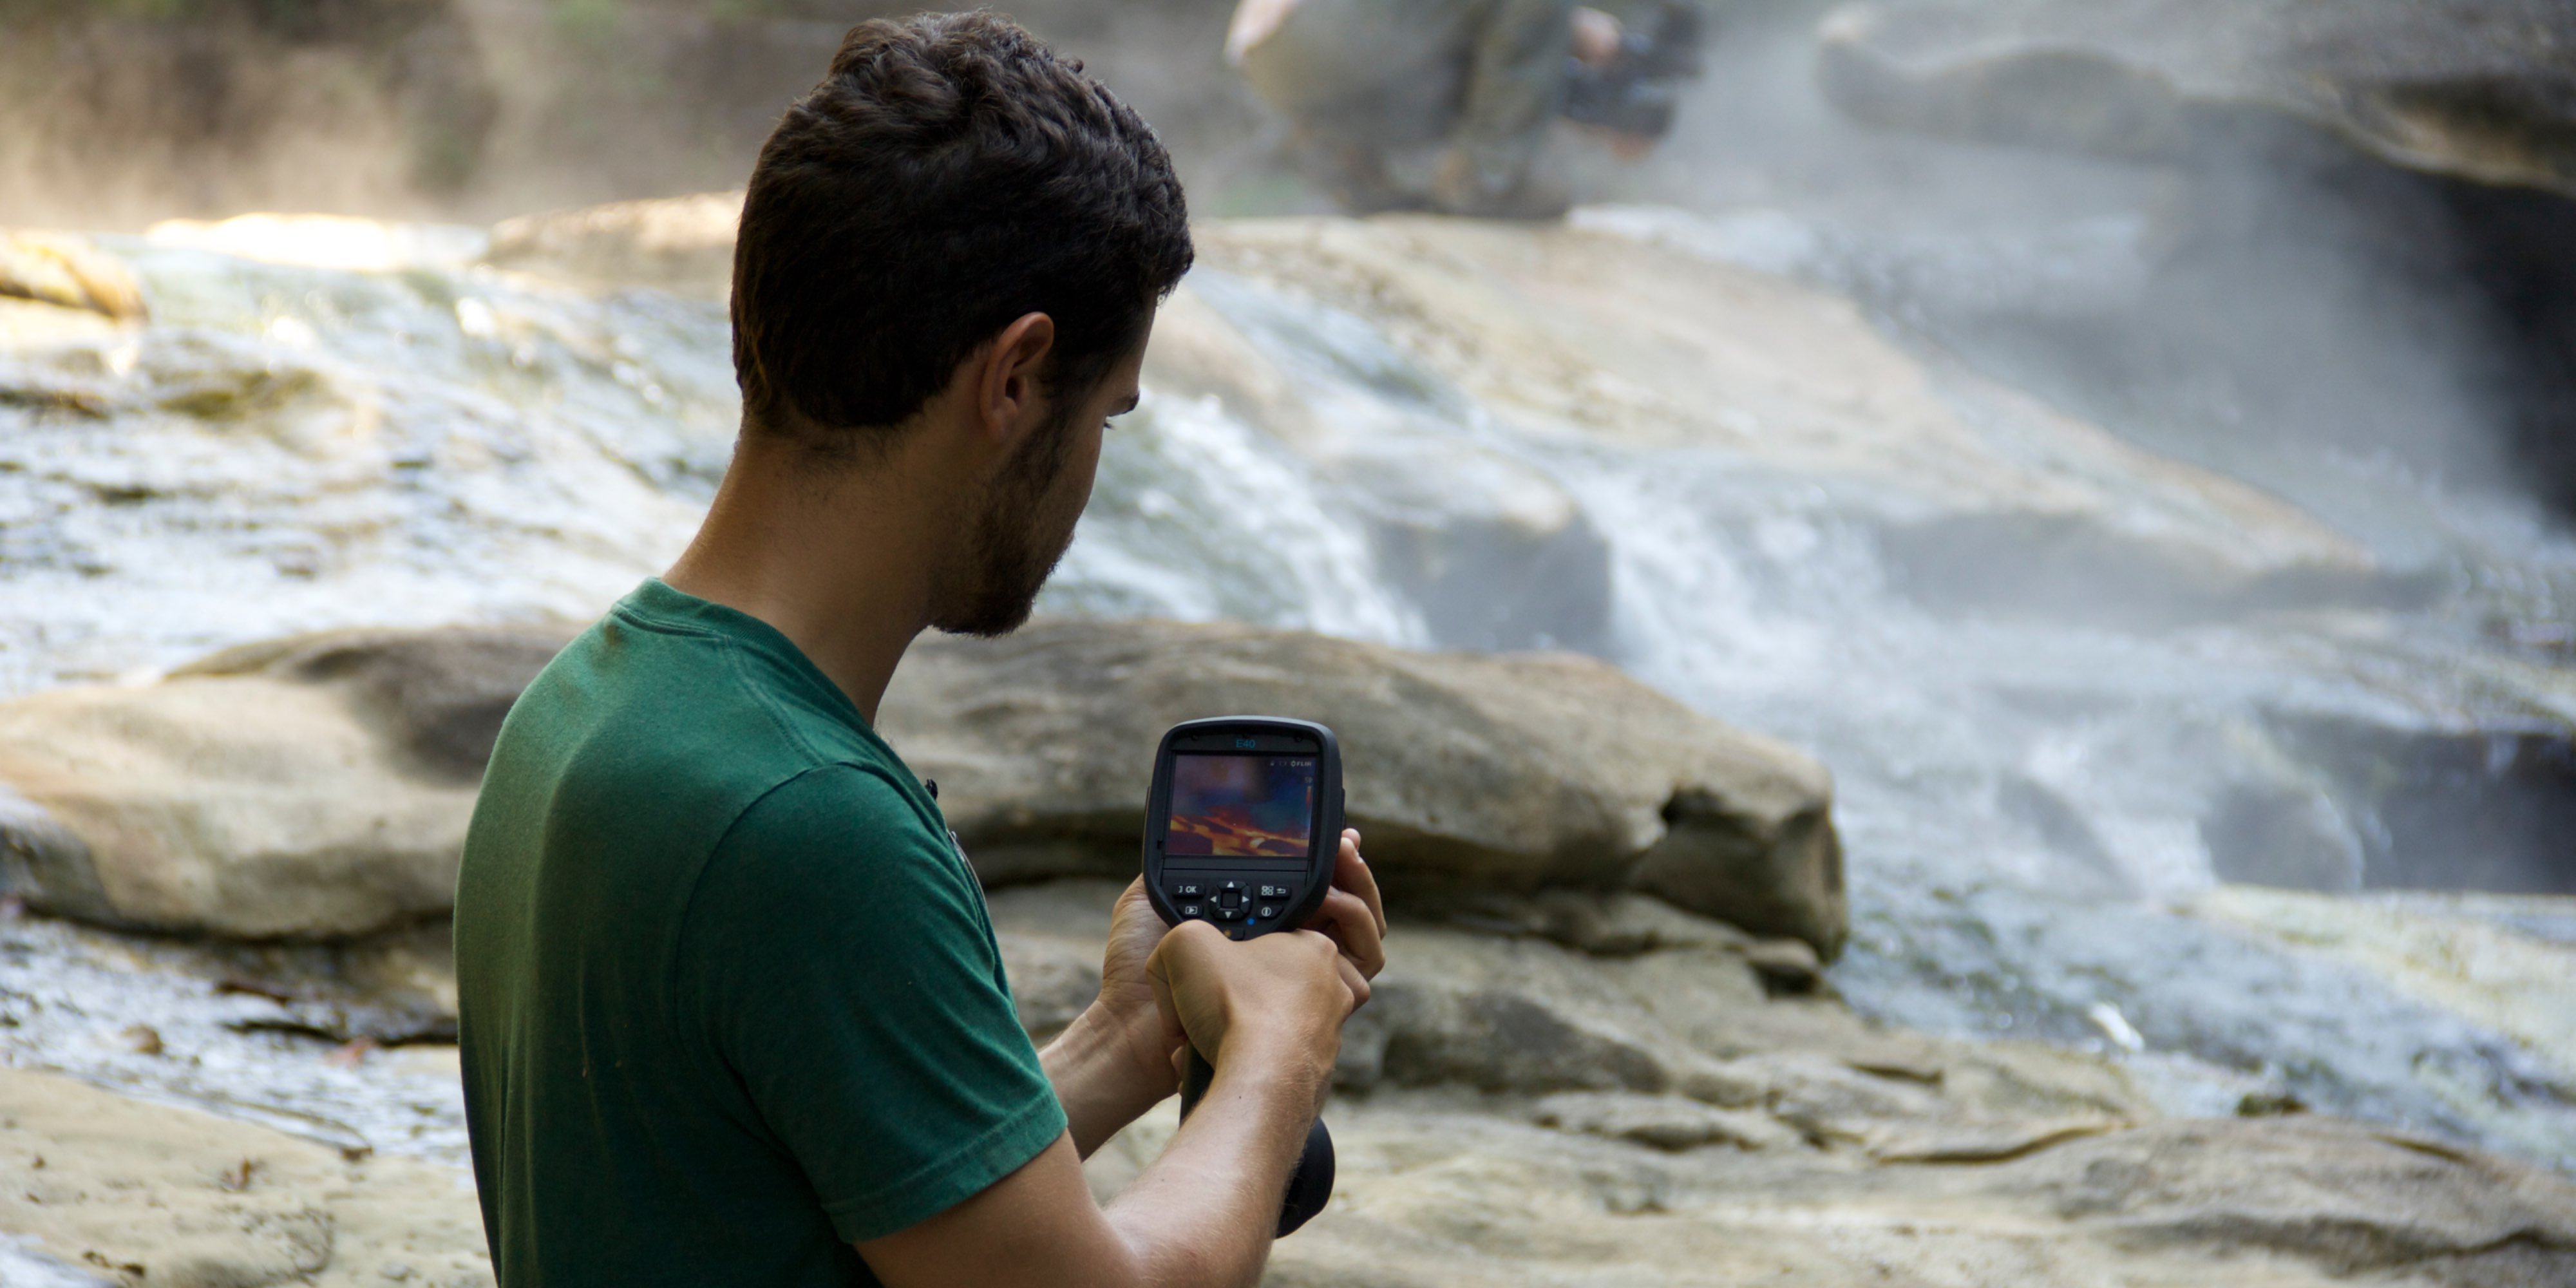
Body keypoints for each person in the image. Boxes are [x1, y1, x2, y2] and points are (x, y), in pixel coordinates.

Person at [451, 14, 1388, 1287]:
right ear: (1015, 378)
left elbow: (847, 1196)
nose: (1091, 473)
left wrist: (1129, 1032)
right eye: (1106, 413)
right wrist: (1278, 1060)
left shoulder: (583, 711)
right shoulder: (812, 828)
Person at [1226, 0, 1702, 217]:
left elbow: (1499, 70)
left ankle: (1352, 169)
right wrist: (1580, 28)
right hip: (1313, 32)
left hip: (1278, 67)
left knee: (1481, 62)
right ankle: (1483, 182)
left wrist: (1594, 104)